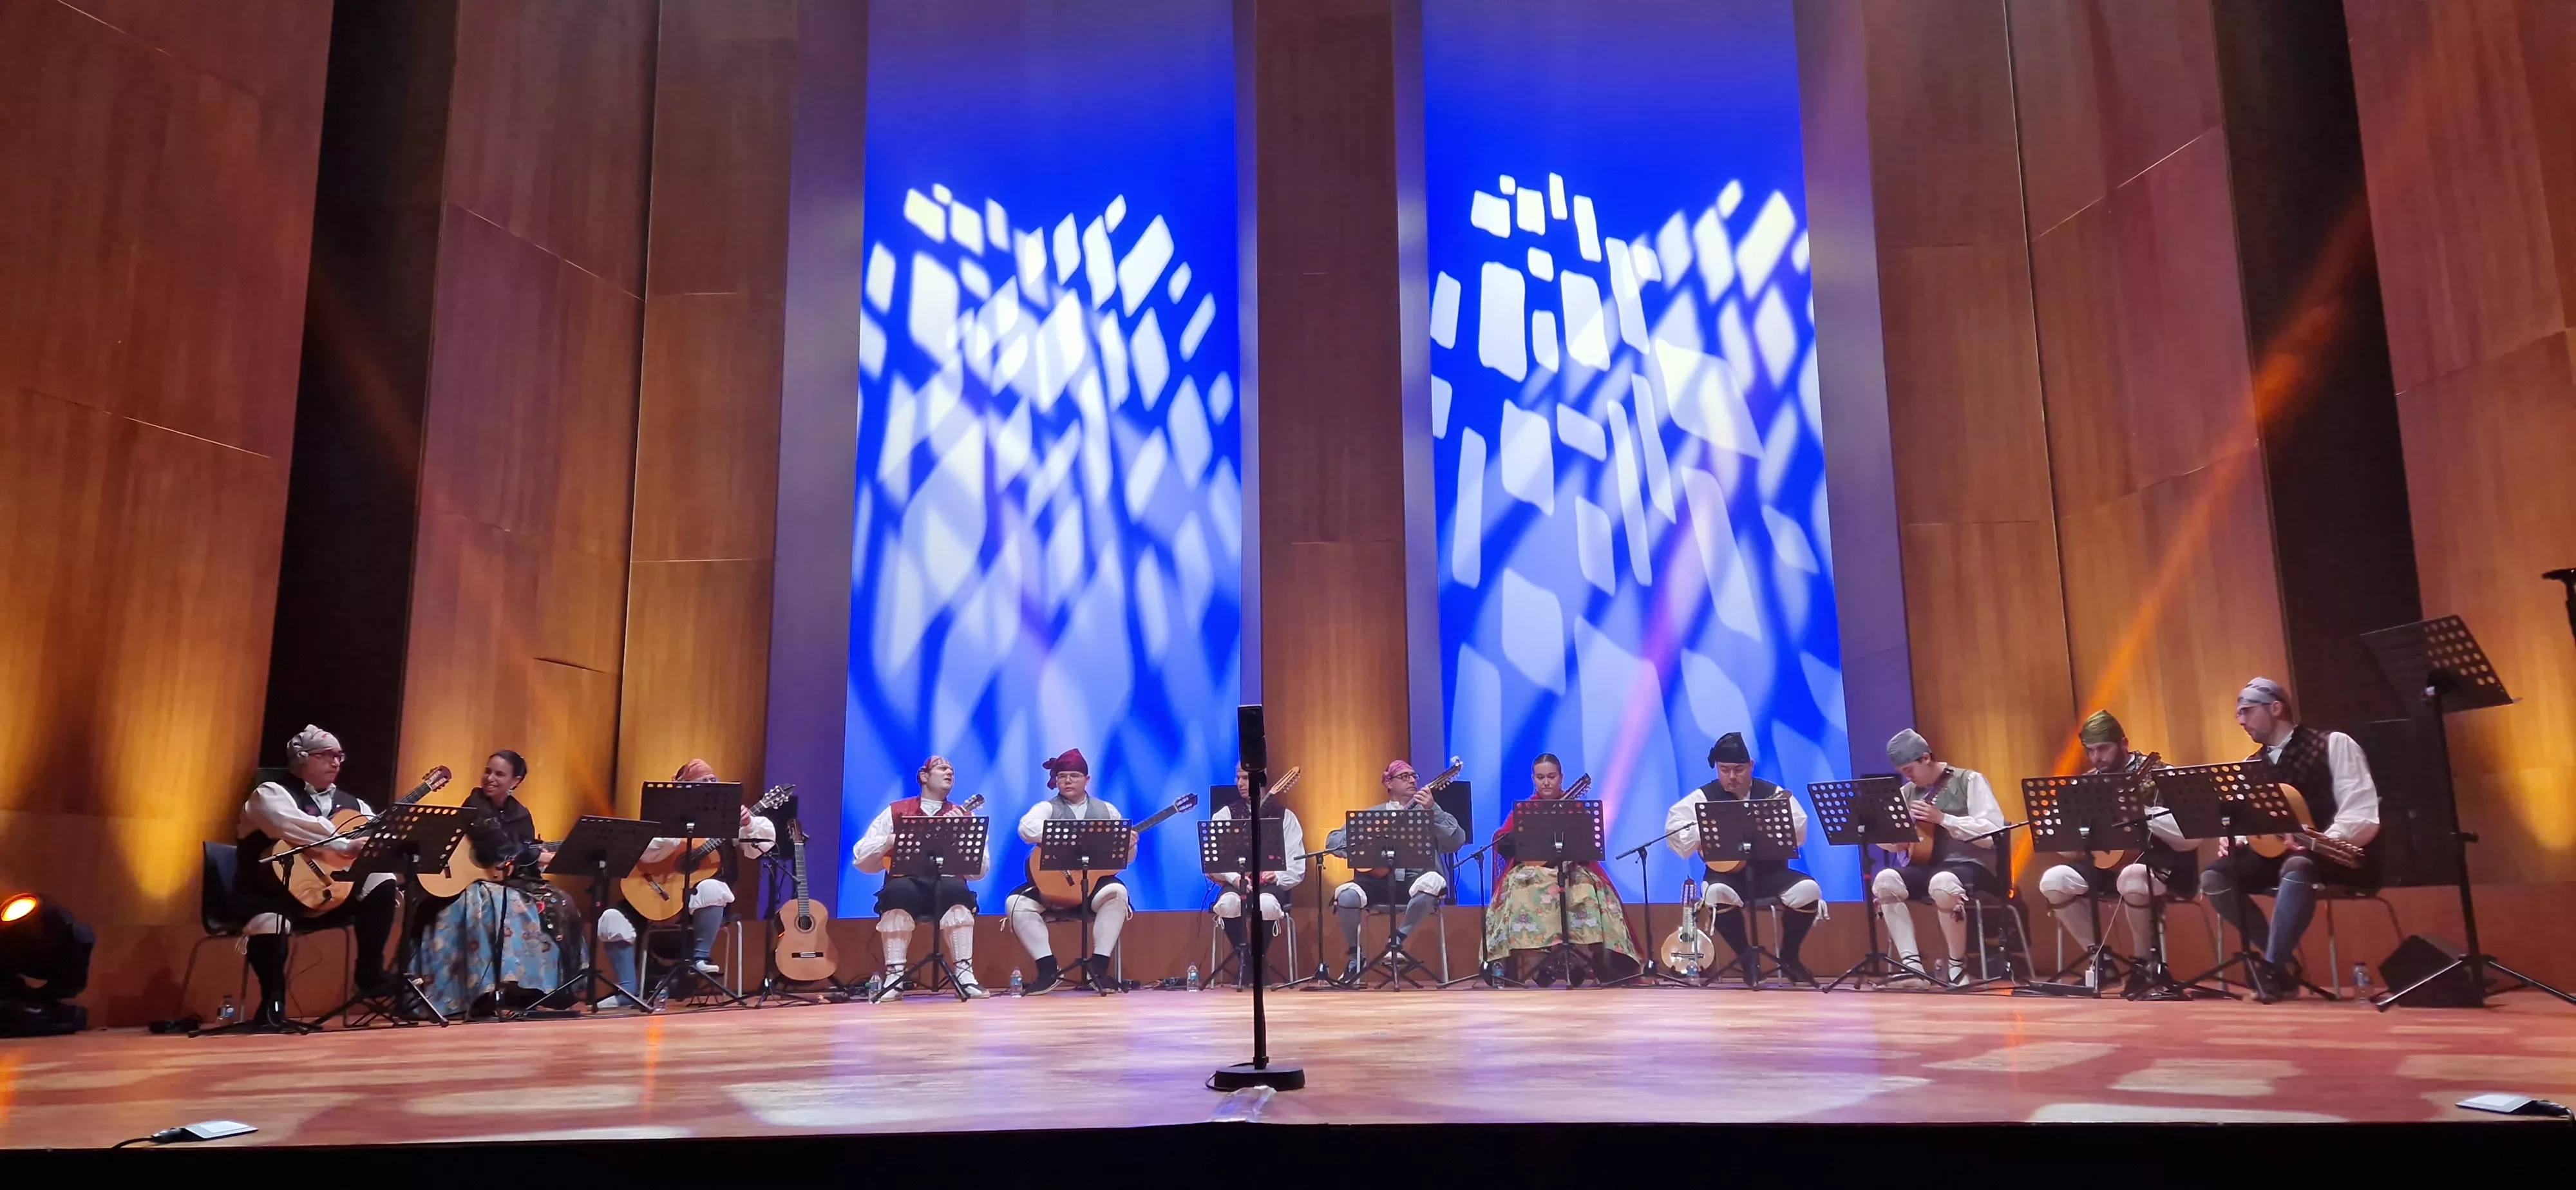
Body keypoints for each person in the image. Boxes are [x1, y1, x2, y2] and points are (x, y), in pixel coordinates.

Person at [2199, 677, 2381, 1002]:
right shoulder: (2251, 765)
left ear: (2276, 708)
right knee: (2214, 876)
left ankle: (2270, 967)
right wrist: (2236, 839)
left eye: (2247, 711)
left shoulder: (2333, 744)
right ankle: (2280, 965)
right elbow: (2248, 821)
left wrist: (2323, 839)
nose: (2240, 721)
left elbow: (2361, 811)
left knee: (2297, 864)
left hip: (2333, 855)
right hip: (2272, 856)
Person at [231, 725, 404, 1028]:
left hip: (331, 896)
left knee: (382, 879)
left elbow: (376, 837)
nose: (336, 762)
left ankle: (370, 974)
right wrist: (346, 844)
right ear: (301, 759)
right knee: (271, 923)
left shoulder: (356, 805)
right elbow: (290, 826)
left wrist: (388, 842)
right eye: (326, 756)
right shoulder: (270, 794)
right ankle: (272, 1005)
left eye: (339, 756)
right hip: (269, 895)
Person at [2034, 711, 2193, 998]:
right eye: (2091, 751)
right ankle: (2100, 962)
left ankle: (2144, 964)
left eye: (2103, 748)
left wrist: (2141, 813)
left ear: (2124, 743)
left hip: (2161, 864)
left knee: (2132, 877)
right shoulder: (2087, 785)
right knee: (2053, 880)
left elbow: (2188, 837)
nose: (2097, 758)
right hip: (2106, 867)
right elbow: (2069, 850)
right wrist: (2062, 830)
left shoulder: (2159, 775)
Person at [600, 759, 777, 1005]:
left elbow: (758, 850)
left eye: (713, 781)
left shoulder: (728, 819)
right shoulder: (663, 816)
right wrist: (674, 829)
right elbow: (645, 854)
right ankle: (627, 992)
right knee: (611, 918)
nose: (709, 785)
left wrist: (747, 823)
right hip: (659, 897)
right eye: (701, 781)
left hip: (701, 908)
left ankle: (700, 959)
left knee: (712, 887)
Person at [412, 750, 567, 1016]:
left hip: (502, 879)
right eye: (488, 771)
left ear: (515, 781)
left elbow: (522, 854)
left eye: (499, 774)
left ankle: (532, 989)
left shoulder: (521, 814)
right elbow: (500, 844)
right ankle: (482, 991)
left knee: (558, 901)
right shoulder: (475, 803)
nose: (490, 778)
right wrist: (534, 855)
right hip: (470, 881)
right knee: (493, 902)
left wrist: (536, 858)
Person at [1665, 733, 1821, 985]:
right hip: (1725, 875)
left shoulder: (1772, 792)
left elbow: (1799, 828)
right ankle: (1747, 959)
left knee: (1809, 889)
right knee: (1715, 893)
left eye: (1738, 769)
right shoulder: (1703, 797)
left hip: (1771, 875)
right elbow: (1675, 831)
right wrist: (1703, 830)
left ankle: (1790, 957)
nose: (1732, 776)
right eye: (1724, 770)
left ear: (1751, 766)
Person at [1485, 753, 1642, 986]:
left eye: (1551, 776)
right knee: (1519, 889)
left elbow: (1588, 845)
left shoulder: (1576, 808)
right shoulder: (1526, 809)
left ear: (1561, 777)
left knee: (1589, 891)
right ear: (1533, 779)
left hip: (1570, 868)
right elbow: (1502, 839)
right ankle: (1523, 965)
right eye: (1540, 777)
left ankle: (1597, 963)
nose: (1546, 782)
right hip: (1531, 869)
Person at [1871, 728, 2008, 987]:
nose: (1907, 776)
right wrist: (1892, 838)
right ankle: (1913, 968)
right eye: (1902, 771)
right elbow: (1894, 842)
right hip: (1927, 867)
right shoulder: (1907, 793)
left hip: (1973, 865)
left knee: (1943, 882)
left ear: (1926, 758)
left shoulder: (1969, 781)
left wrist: (1944, 820)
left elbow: (1992, 831)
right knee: (1885, 879)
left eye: (1910, 769)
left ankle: (1957, 967)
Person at [849, 755, 992, 1000]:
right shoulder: (897, 811)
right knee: (896, 893)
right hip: (907, 883)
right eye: (942, 768)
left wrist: (961, 836)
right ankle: (894, 976)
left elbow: (979, 871)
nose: (949, 772)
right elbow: (861, 857)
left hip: (946, 883)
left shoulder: (962, 816)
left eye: (952, 770)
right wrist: (890, 841)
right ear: (924, 776)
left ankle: (964, 973)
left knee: (959, 892)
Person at [1324, 760, 1466, 983]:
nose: (1412, 780)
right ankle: (1355, 958)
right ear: (1388, 783)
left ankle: (1397, 941)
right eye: (1404, 776)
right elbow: (1332, 840)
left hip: (1414, 885)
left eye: (1414, 776)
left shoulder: (1428, 812)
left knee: (1434, 881)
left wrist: (1434, 810)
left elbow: (1457, 839)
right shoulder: (1373, 814)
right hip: (1377, 883)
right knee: (1346, 895)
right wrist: (1364, 841)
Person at [1003, 748, 1132, 994]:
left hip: (1094, 887)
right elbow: (1026, 829)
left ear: (1087, 780)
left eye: (1074, 776)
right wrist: (1073, 837)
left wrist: (1129, 845)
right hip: (1055, 886)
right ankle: (1048, 968)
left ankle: (1099, 968)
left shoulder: (1107, 810)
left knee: (1117, 892)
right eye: (1063, 776)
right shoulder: (1047, 808)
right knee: (1015, 903)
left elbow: (1124, 859)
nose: (1068, 781)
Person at [1209, 761, 1307, 988]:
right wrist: (1234, 878)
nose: (1240, 783)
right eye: (1238, 777)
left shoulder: (1285, 817)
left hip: (1270, 887)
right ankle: (1250, 961)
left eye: (1245, 778)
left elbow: (1297, 864)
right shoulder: (1225, 815)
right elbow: (1216, 859)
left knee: (1267, 904)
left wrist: (1278, 876)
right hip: (1237, 883)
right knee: (1228, 903)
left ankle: (1252, 960)